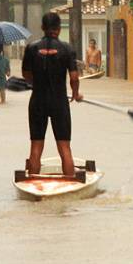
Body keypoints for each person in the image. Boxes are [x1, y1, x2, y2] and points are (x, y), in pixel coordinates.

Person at [22, 13, 83, 177]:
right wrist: (76, 94)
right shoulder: (67, 49)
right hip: (59, 102)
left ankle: (33, 186)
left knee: (36, 147)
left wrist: (37, 83)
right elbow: (74, 77)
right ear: (58, 28)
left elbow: (26, 75)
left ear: (42, 28)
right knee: (64, 147)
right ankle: (70, 185)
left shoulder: (31, 48)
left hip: (38, 101)